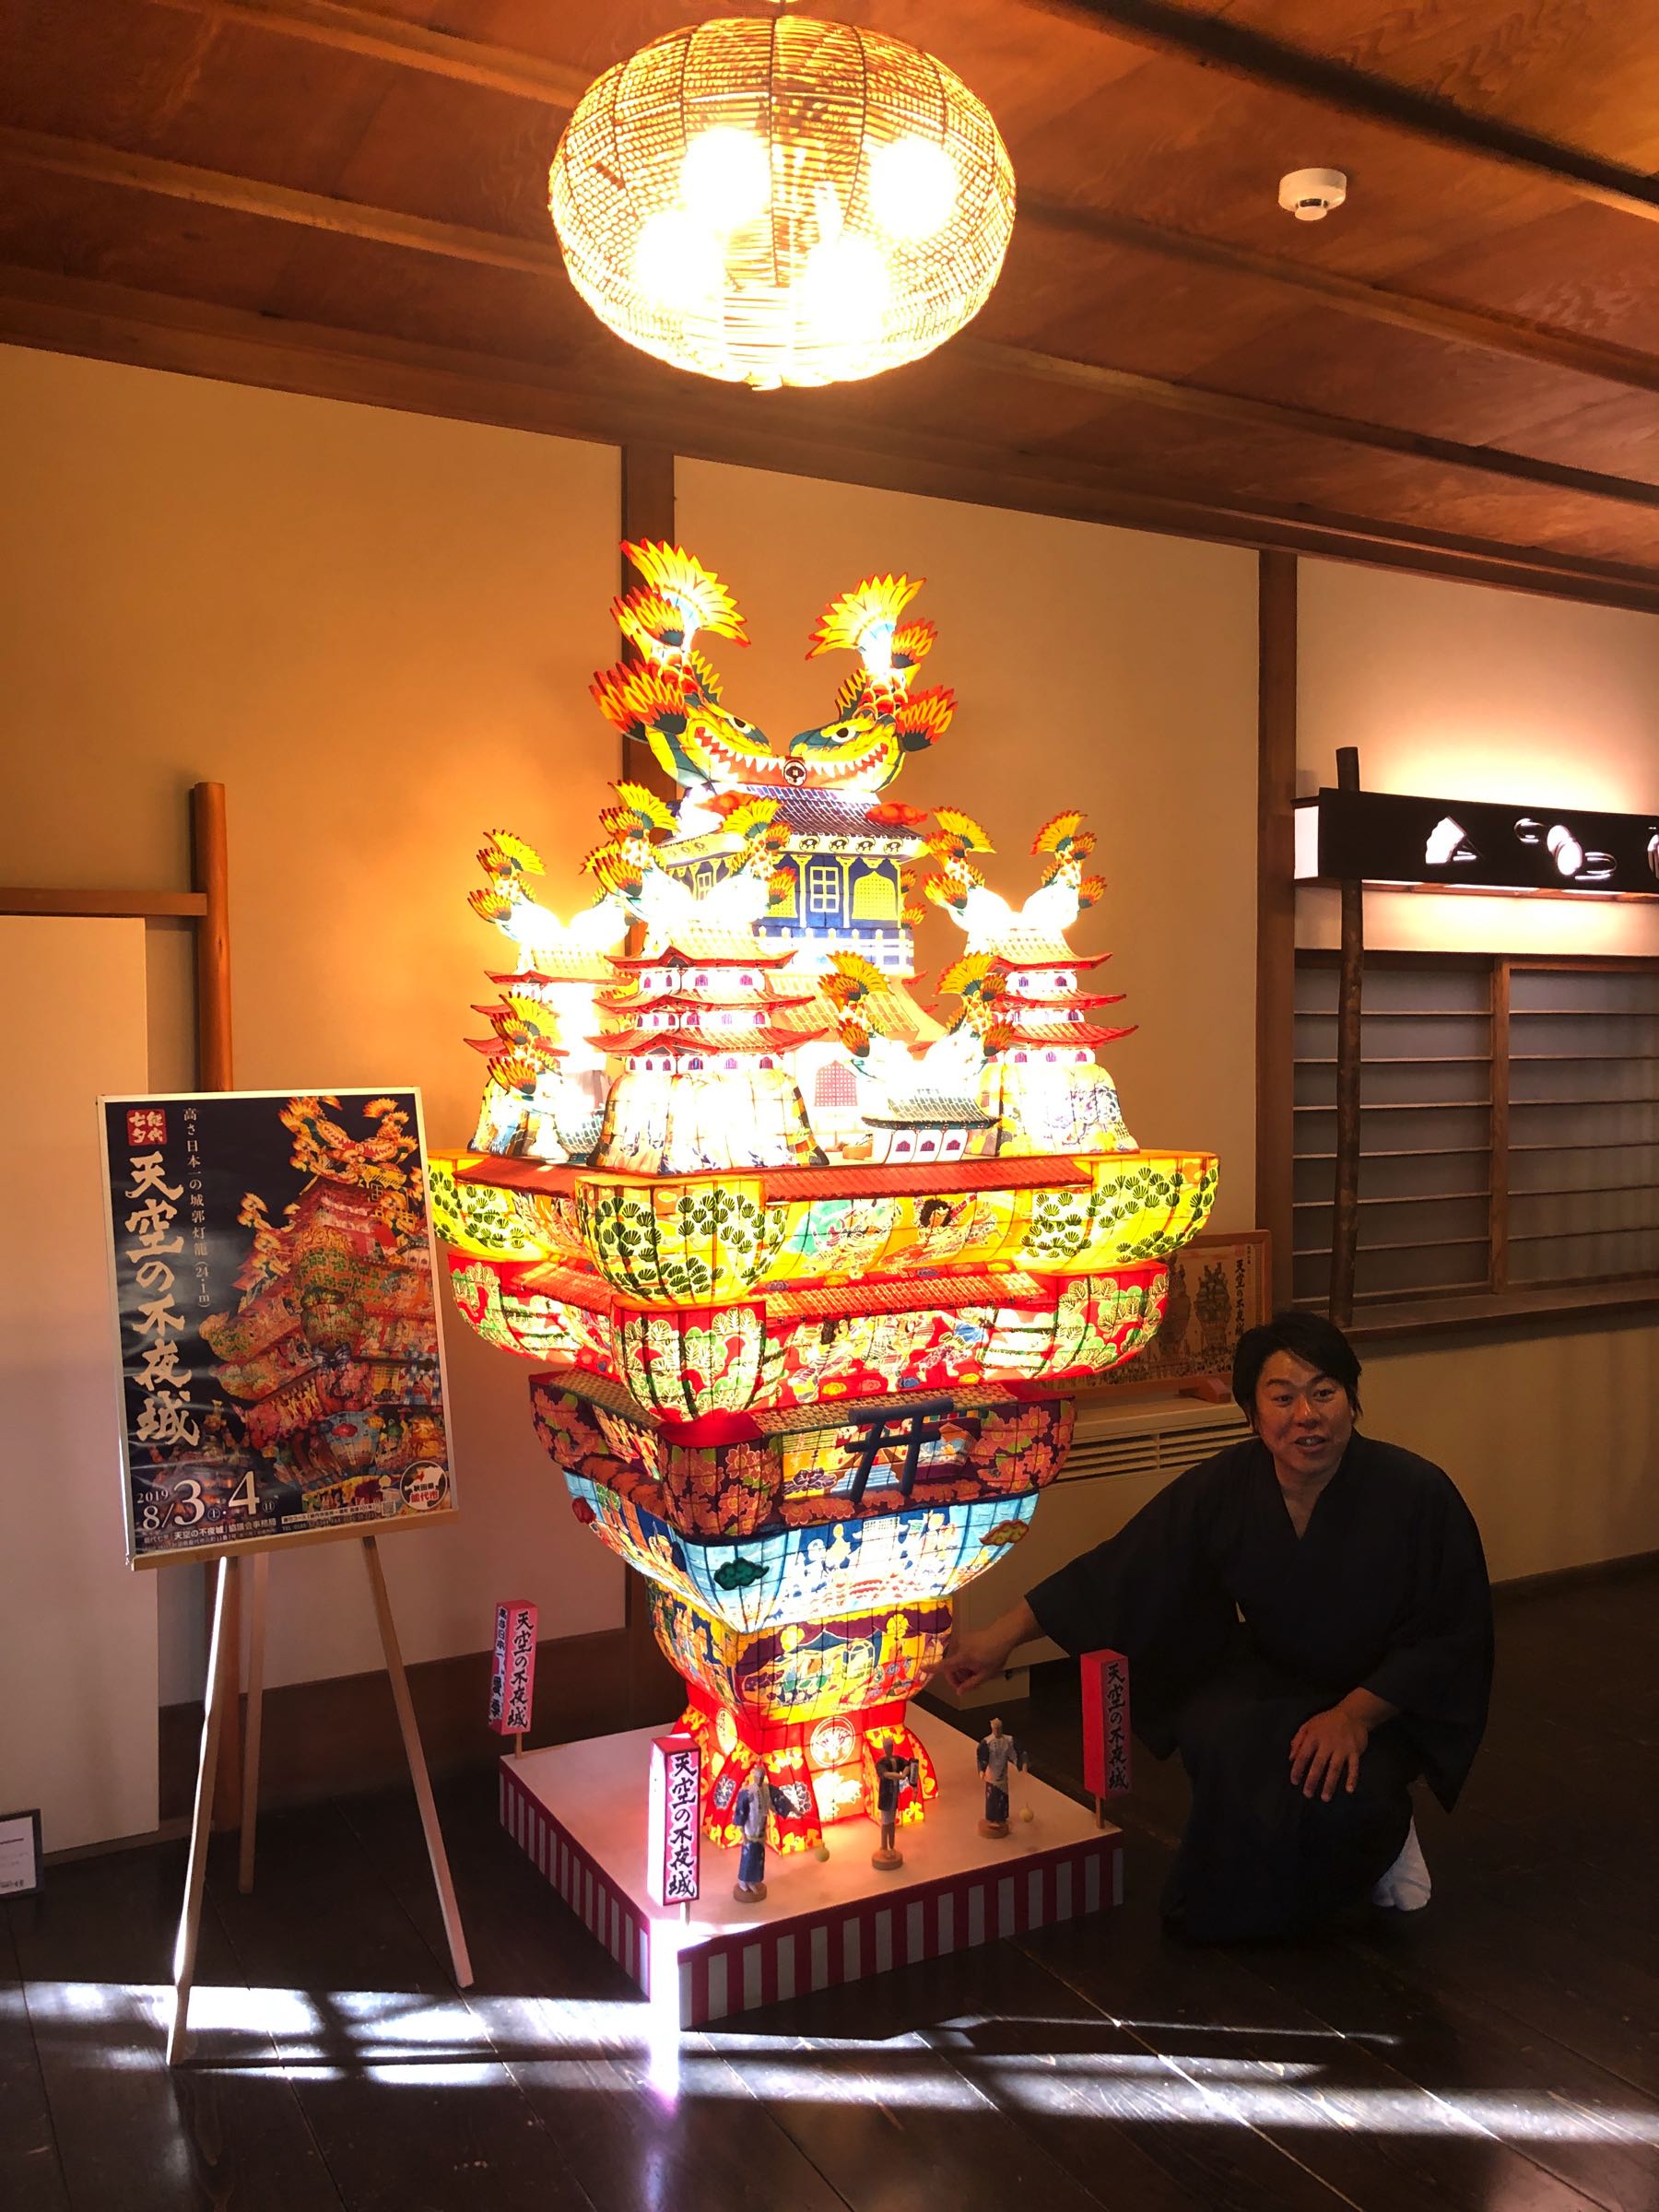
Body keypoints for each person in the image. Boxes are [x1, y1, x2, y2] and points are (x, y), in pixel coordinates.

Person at [941, 1312, 1492, 1942]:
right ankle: (1237, 1909)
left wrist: (1355, 1717)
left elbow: (1451, 1631)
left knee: (1343, 1792)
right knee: (1220, 1738)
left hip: (1385, 1697)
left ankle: (1389, 1843)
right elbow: (1125, 1567)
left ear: (1352, 1401)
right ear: (1253, 1414)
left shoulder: (1416, 1493)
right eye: (1282, 1397)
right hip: (1279, 1674)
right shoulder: (1229, 1486)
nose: (1306, 1414)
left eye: (1324, 1391)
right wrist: (999, 1638)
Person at [976, 1716, 1028, 1837]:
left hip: (1003, 1774)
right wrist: (981, 1770)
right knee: (992, 1797)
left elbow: (1019, 1751)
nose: (997, 1731)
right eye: (995, 1728)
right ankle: (992, 1818)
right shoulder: (987, 1742)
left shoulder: (1008, 1740)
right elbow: (982, 1757)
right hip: (991, 1774)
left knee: (1002, 1797)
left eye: (999, 1728)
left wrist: (1023, 1764)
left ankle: (1001, 1819)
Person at [732, 1762, 771, 1902]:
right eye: (758, 1776)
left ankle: (753, 1881)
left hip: (761, 1829)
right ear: (754, 1777)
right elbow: (740, 1813)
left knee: (758, 1857)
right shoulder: (747, 1792)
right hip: (750, 1830)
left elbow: (777, 1801)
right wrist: (743, 1834)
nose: (760, 1779)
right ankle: (743, 1881)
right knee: (748, 1857)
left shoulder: (767, 1790)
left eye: (762, 1776)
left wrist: (793, 1809)